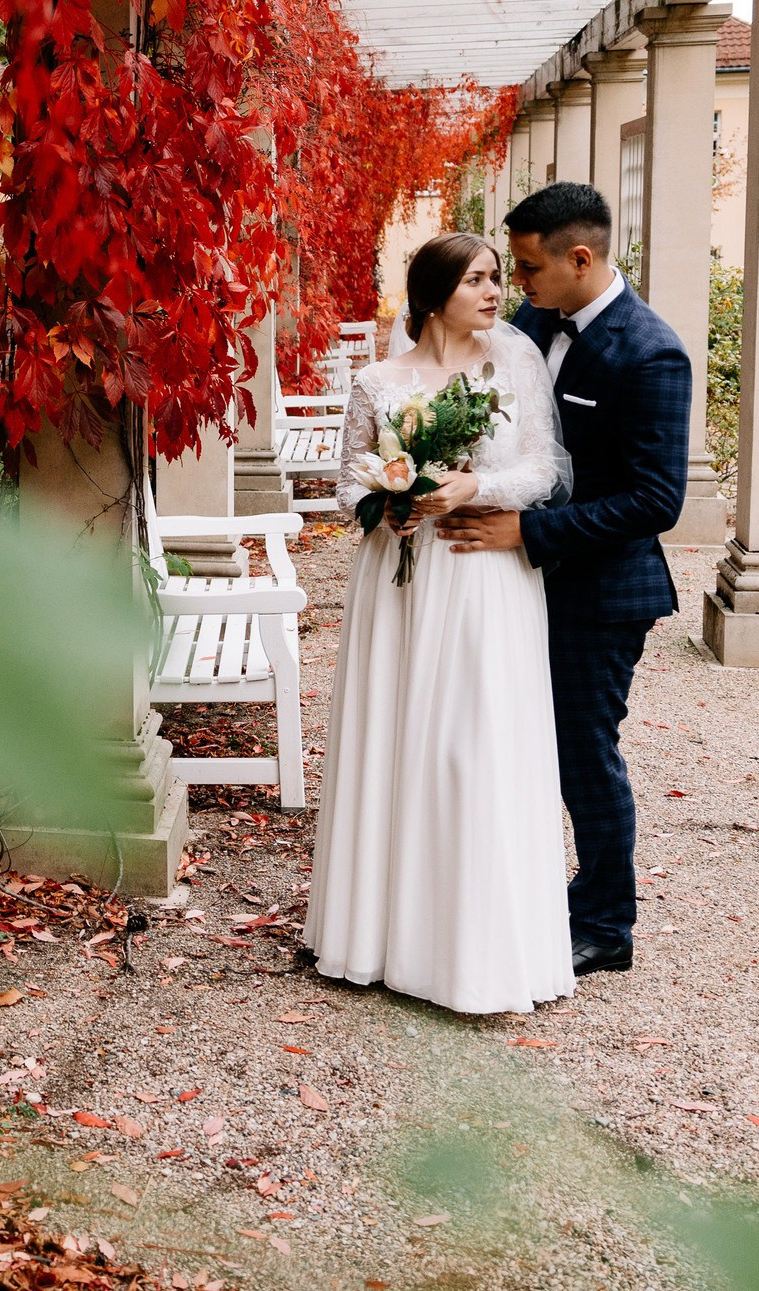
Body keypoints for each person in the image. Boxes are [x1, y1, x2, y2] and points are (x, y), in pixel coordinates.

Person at [304, 232, 575, 1015]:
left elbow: (542, 469)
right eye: (478, 280)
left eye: (497, 278)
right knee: (396, 739)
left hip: (486, 574)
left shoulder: (515, 362)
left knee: (475, 743)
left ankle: (480, 946)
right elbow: (341, 489)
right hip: (402, 579)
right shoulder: (377, 380)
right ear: (433, 294)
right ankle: (380, 935)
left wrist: (471, 487)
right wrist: (394, 501)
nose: (495, 291)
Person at [438, 183, 691, 977]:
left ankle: (608, 922)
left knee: (584, 754)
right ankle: (520, 895)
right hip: (521, 585)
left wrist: (531, 529)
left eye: (527, 269)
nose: (516, 286)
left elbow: (658, 500)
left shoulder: (651, 351)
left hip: (604, 594)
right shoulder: (532, 324)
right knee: (512, 740)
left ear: (579, 258)